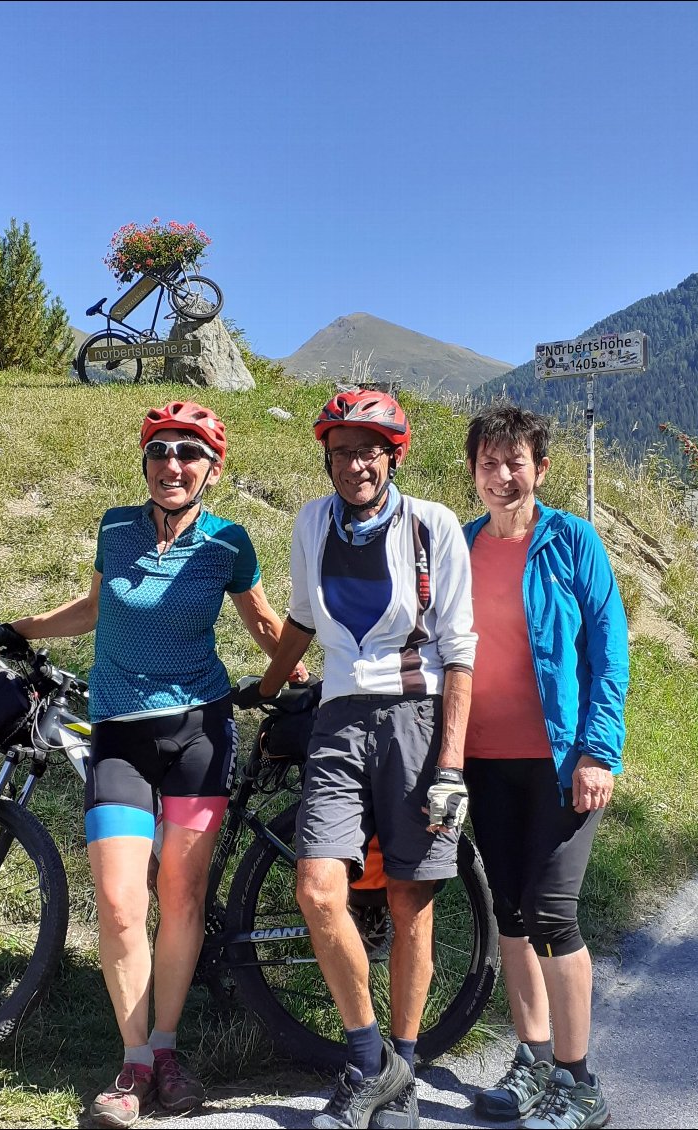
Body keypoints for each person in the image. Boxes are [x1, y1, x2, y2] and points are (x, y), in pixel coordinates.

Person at [0, 400, 307, 1128]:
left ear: (212, 469)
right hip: (120, 736)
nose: (173, 466)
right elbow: (91, 608)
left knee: (180, 897)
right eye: (160, 452)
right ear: (145, 462)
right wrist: (12, 631)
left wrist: (303, 672)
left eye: (189, 454)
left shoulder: (228, 543)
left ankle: (167, 1047)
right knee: (123, 904)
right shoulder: (115, 527)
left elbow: (263, 621)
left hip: (199, 734)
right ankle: (133, 1066)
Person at [237, 389, 477, 1130]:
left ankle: (400, 1077)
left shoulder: (431, 526)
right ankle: (368, 1059)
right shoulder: (312, 520)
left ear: (392, 455)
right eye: (342, 450)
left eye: (369, 449)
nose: (355, 463)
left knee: (408, 904)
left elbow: (461, 655)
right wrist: (266, 687)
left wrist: (450, 766)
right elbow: (304, 618)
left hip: (415, 715)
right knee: (317, 890)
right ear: (327, 458)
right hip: (338, 719)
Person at [462, 403, 628, 1130]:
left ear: (540, 469)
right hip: (481, 758)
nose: (502, 476)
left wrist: (598, 749)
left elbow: (607, 648)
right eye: (489, 463)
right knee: (510, 912)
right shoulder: (459, 544)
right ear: (472, 472)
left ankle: (578, 1084)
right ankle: (532, 1061)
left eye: (515, 462)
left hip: (559, 763)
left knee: (554, 914)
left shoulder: (571, 540)